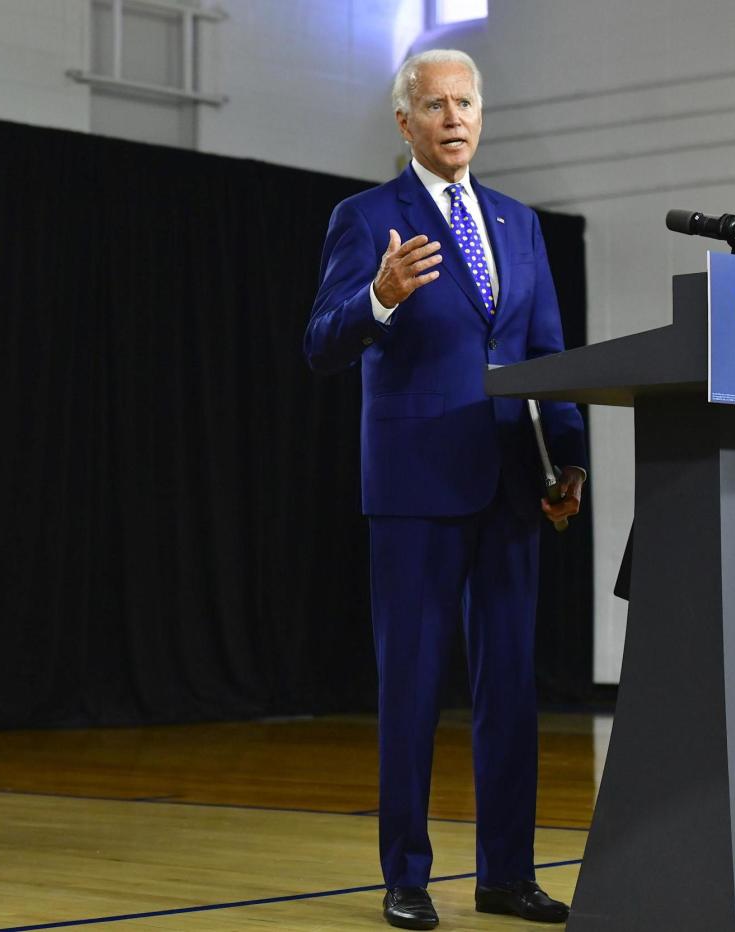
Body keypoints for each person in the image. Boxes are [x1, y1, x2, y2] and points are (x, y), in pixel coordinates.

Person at [303, 49, 586, 929]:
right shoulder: (366, 217)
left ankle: (507, 874)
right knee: (414, 688)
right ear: (405, 123)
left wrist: (566, 458)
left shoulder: (517, 222)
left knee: (510, 690)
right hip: (416, 486)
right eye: (436, 105)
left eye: (466, 102)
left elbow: (546, 354)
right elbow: (320, 341)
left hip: (511, 484)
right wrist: (379, 299)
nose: (454, 117)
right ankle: (407, 879)